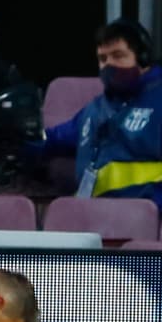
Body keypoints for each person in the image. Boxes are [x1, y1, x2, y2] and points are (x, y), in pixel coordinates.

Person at [35, 18, 162, 207]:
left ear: (143, 58)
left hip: (145, 219)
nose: (108, 65)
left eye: (118, 55)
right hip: (92, 217)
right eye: (102, 59)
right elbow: (55, 138)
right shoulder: (95, 109)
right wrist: (19, 138)